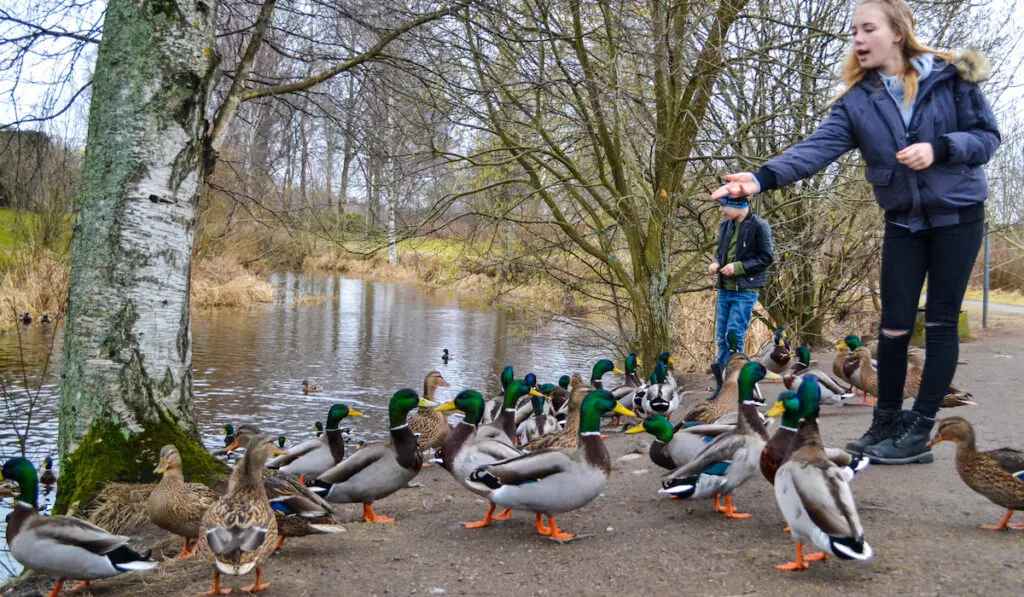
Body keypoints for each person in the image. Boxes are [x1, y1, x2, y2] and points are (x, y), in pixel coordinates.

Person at [711, 0, 999, 464]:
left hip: (957, 215)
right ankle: (885, 421)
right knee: (893, 326)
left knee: (941, 324)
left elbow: (987, 137)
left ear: (898, 33)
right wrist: (760, 178)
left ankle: (918, 430)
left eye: (868, 29)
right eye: (853, 32)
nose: (858, 40)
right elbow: (816, 150)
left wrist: (940, 149)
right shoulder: (858, 100)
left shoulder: (951, 78)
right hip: (903, 220)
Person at [706, 194, 774, 400]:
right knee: (721, 338)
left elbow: (766, 257)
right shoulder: (725, 226)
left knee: (734, 335)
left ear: (738, 205)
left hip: (745, 289)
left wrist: (738, 267)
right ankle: (724, 388)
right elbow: (721, 252)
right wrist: (716, 263)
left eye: (724, 206)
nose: (721, 210)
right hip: (725, 289)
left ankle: (742, 387)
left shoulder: (760, 226)